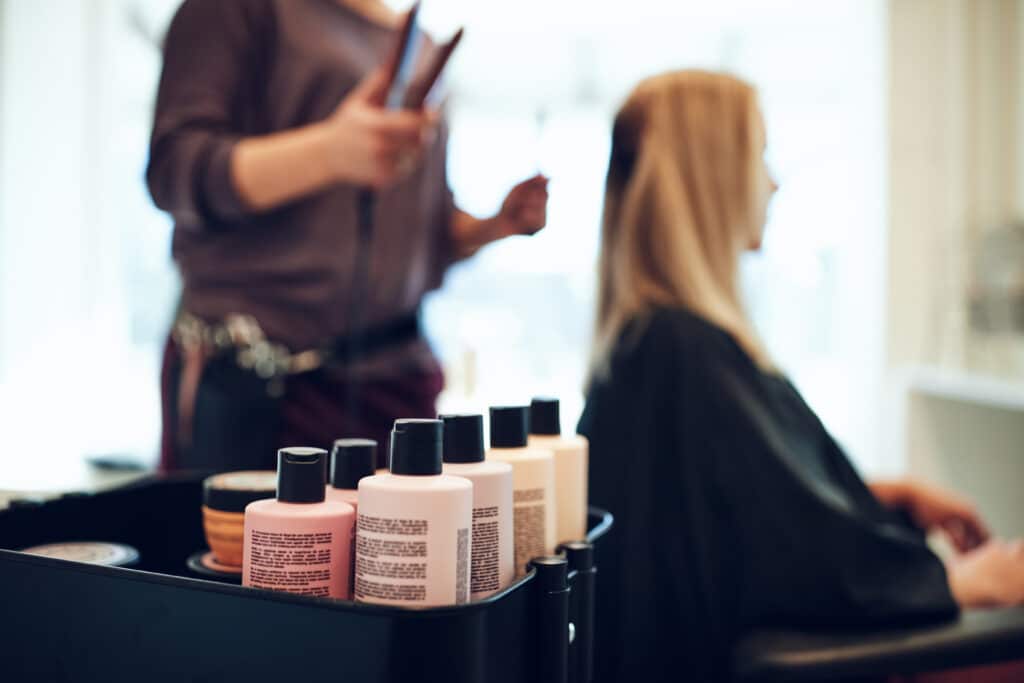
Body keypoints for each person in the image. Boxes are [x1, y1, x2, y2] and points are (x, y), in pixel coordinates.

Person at [577, 70, 1024, 682]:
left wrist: (884, 494)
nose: (773, 181)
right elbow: (786, 556)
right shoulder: (683, 351)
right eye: (758, 156)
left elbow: (731, 510)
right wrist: (957, 583)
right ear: (711, 177)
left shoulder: (653, 344)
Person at [147, 0, 548, 471]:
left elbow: (414, 234)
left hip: (397, 387)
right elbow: (176, 168)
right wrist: (330, 152)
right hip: (262, 390)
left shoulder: (419, 44)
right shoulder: (237, 11)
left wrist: (491, 228)